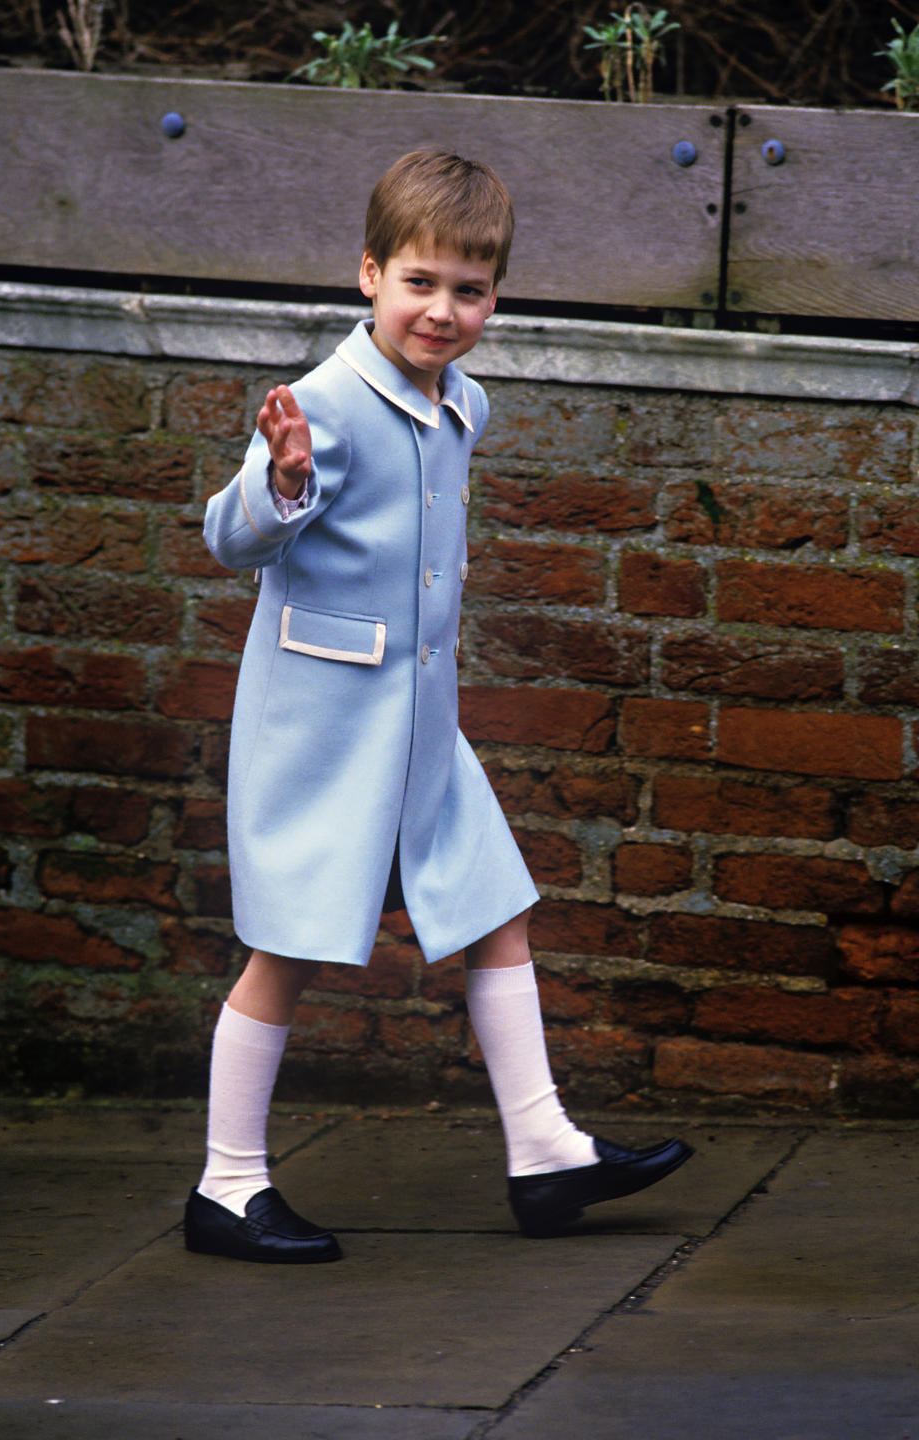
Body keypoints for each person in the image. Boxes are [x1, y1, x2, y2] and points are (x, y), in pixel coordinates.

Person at [184, 149, 692, 1264]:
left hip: (419, 723)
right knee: (288, 949)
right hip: (321, 727)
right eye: (420, 282)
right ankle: (226, 1188)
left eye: (470, 289)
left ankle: (546, 1151)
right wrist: (282, 482)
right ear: (369, 276)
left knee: (491, 906)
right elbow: (229, 540)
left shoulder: (463, 401)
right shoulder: (320, 403)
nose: (443, 310)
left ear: (495, 299)